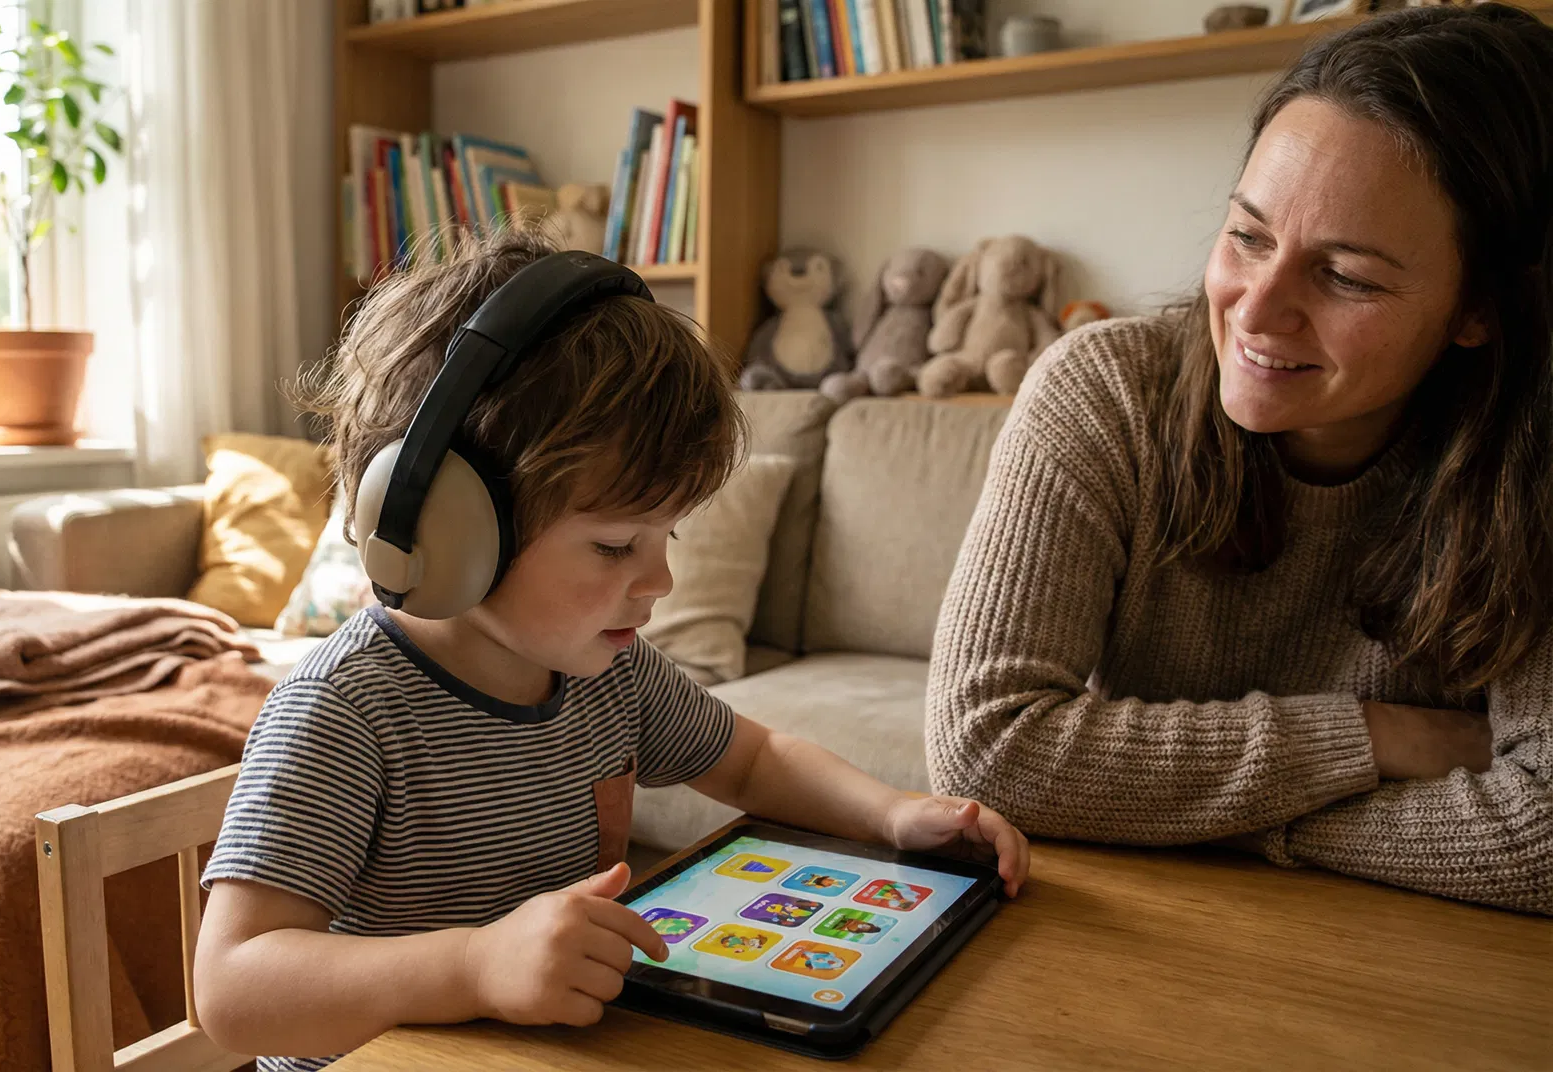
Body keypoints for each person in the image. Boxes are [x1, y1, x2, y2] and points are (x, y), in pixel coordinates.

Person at [192, 231, 1031, 1071]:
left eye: (668, 536)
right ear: (446, 528)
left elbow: (754, 760)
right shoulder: (343, 714)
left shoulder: (608, 672)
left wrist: (890, 814)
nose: (660, 578)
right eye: (615, 545)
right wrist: (476, 966)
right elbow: (234, 993)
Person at [926, 4, 1552, 916]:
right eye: (1248, 237)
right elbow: (988, 749)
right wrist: (1370, 740)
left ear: (1479, 311)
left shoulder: (1532, 460)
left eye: (1345, 277)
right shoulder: (1103, 390)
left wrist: (1221, 819)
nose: (1255, 313)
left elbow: (1542, 834)